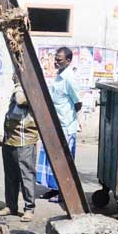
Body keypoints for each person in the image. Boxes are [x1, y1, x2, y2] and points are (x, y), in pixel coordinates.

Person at [39, 46, 81, 203]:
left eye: (59, 60)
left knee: (64, 161)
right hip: (54, 124)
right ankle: (53, 189)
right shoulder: (58, 76)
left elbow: (78, 103)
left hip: (66, 126)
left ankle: (63, 193)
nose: (56, 62)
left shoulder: (69, 78)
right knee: (51, 159)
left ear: (68, 61)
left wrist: (70, 120)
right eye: (55, 59)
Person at [0, 76, 38, 222]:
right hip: (10, 139)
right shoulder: (18, 89)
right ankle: (11, 206)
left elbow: (21, 100)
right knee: (11, 176)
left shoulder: (27, 89)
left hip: (24, 140)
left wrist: (19, 85)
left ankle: (29, 208)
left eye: (15, 74)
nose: (12, 77)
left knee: (26, 175)